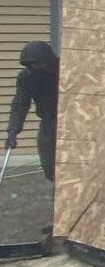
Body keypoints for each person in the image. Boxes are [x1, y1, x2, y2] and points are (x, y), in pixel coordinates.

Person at [6, 39, 60, 182]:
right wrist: (13, 131)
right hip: (48, 121)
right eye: (30, 65)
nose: (34, 67)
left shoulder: (63, 70)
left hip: (71, 119)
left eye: (37, 63)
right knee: (48, 160)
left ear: (48, 60)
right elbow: (20, 103)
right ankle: (56, 185)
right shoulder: (27, 77)